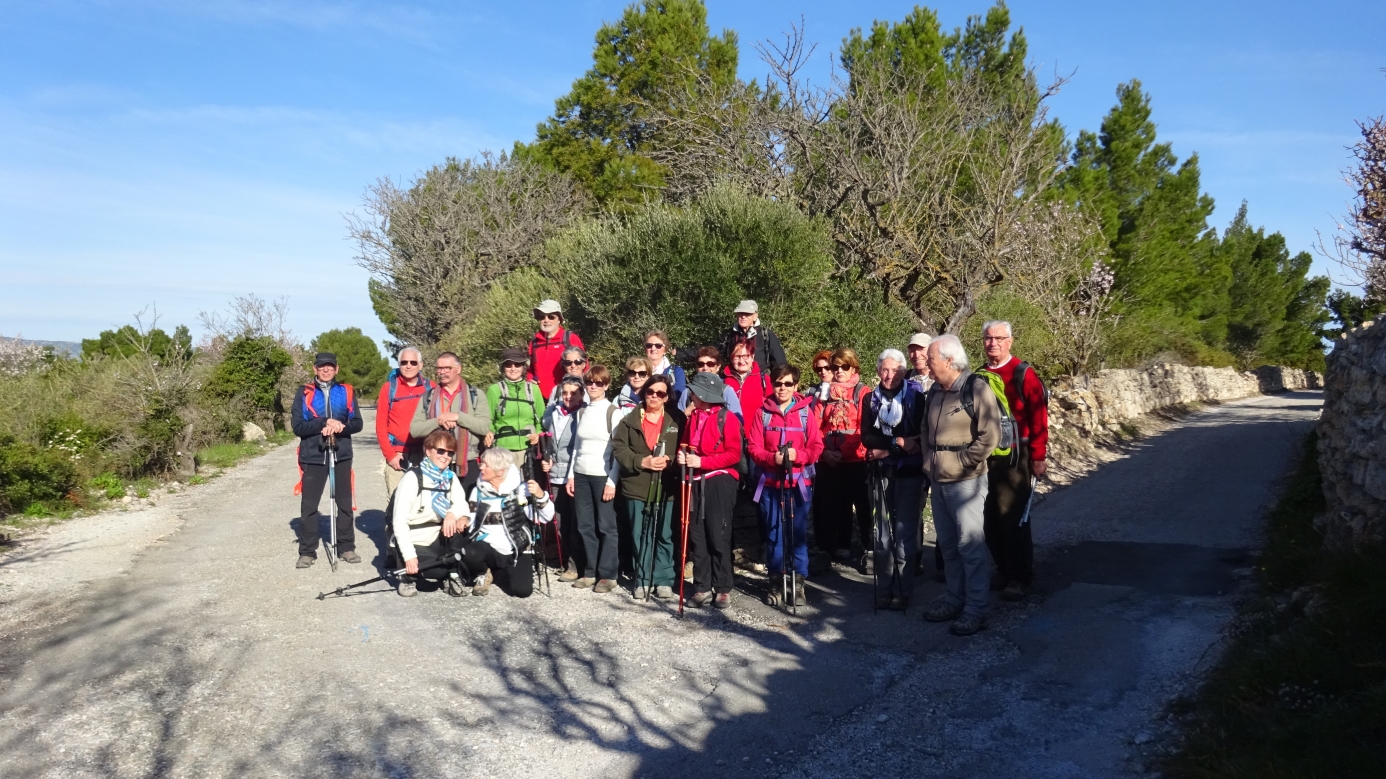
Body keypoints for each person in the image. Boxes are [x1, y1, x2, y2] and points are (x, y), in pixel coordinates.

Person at [920, 334, 1002, 636]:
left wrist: (964, 461)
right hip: (938, 479)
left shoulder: (975, 388)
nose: (927, 363)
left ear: (949, 360)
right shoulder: (935, 390)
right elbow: (925, 429)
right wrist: (928, 460)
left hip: (966, 482)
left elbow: (990, 435)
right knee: (948, 546)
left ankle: (976, 608)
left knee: (970, 546)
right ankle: (955, 599)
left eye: (931, 358)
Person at [978, 320, 1049, 602]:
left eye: (999, 338)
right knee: (989, 518)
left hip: (1016, 457)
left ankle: (1020, 576)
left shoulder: (1023, 374)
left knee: (1012, 517)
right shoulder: (980, 375)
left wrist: (1038, 457)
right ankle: (1004, 568)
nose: (993, 343)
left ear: (1010, 341)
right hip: (987, 457)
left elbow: (1039, 417)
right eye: (988, 338)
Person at [747, 364, 823, 607]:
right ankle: (776, 581)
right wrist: (773, 458)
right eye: (778, 383)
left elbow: (816, 446)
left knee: (797, 534)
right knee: (774, 534)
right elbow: (753, 447)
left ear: (796, 386)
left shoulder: (805, 413)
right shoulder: (762, 413)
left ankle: (798, 583)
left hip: (798, 484)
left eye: (788, 383)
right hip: (770, 484)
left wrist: (798, 456)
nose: (782, 388)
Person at [861, 349, 925, 611]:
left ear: (903, 371)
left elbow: (919, 439)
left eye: (895, 370)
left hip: (909, 473)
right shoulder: (870, 399)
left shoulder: (916, 397)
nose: (889, 375)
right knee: (882, 534)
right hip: (880, 474)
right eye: (885, 370)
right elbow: (867, 437)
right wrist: (897, 442)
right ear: (878, 371)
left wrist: (887, 450)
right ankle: (885, 587)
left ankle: (903, 590)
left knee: (904, 532)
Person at [611, 374, 685, 600]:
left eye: (660, 393)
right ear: (644, 393)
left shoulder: (677, 419)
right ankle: (643, 578)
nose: (654, 396)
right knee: (640, 534)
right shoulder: (629, 420)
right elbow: (619, 450)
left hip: (666, 488)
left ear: (666, 397)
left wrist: (672, 461)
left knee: (665, 534)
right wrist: (641, 462)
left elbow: (686, 447)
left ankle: (664, 579)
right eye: (650, 392)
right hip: (636, 487)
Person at [291, 352, 365, 568]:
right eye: (321, 366)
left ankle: (346, 547)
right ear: (315, 369)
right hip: (313, 455)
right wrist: (323, 423)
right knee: (309, 506)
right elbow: (298, 427)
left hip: (341, 454)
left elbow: (357, 423)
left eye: (330, 366)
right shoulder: (304, 392)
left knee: (344, 503)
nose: (326, 370)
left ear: (336, 369)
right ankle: (307, 551)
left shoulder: (346, 391)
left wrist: (341, 426)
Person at [678, 372, 744, 610]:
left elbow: (734, 454)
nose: (691, 395)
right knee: (697, 535)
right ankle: (702, 586)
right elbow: (686, 445)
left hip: (720, 481)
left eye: (694, 392)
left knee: (719, 534)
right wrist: (682, 455)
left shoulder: (728, 418)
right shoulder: (693, 416)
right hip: (695, 481)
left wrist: (702, 462)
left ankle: (723, 587)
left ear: (704, 395)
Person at [458, 447, 555, 597]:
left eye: (486, 465)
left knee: (522, 591)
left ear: (500, 471)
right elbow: (471, 517)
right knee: (470, 552)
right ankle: (483, 572)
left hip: (517, 547)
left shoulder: (521, 490)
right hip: (487, 545)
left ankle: (504, 570)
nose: (481, 467)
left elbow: (545, 517)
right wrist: (464, 519)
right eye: (481, 463)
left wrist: (541, 495)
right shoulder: (478, 490)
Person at [391, 429, 472, 597]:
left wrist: (452, 514)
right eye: (440, 451)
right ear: (428, 451)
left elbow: (462, 505)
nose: (445, 456)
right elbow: (399, 522)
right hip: (414, 537)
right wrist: (409, 556)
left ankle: (452, 574)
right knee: (437, 572)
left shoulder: (450, 477)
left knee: (466, 530)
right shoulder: (413, 478)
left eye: (450, 453)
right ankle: (407, 576)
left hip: (437, 535)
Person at [564, 364, 621, 593]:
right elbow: (576, 448)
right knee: (585, 525)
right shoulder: (581, 412)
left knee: (606, 526)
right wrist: (570, 476)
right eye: (589, 382)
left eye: (599, 382)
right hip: (581, 475)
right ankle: (590, 571)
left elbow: (618, 451)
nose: (593, 386)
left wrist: (612, 482)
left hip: (602, 476)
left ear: (606, 385)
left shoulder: (613, 412)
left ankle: (608, 574)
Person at [812, 347, 872, 566]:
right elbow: (814, 427)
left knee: (864, 508)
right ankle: (827, 552)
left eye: (844, 366)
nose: (839, 371)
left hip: (856, 460)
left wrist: (841, 451)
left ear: (853, 368)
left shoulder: (863, 392)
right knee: (829, 508)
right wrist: (825, 452)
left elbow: (863, 428)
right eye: (834, 367)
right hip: (828, 460)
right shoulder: (824, 393)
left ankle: (870, 550)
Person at [410, 351, 491, 495]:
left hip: (468, 464)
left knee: (467, 507)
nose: (442, 372)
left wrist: (458, 417)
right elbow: (415, 430)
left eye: (447, 368)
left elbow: (484, 427)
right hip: (435, 464)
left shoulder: (475, 395)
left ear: (458, 369)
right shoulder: (428, 397)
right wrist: (438, 421)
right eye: (439, 368)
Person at [542, 376, 585, 583]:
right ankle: (567, 561)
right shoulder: (553, 413)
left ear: (581, 394)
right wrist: (547, 459)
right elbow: (550, 442)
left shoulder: (584, 414)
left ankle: (578, 565)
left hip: (575, 475)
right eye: (565, 393)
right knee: (560, 523)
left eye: (573, 393)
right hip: (555, 475)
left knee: (577, 523)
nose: (568, 397)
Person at [377, 346, 433, 496]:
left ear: (420, 365)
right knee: (396, 501)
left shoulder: (431, 388)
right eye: (404, 362)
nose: (408, 366)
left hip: (425, 454)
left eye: (413, 362)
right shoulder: (389, 388)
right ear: (399, 364)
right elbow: (381, 426)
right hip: (398, 455)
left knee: (423, 500)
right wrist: (390, 455)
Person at [486, 346, 543, 466]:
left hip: (528, 448)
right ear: (503, 368)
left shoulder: (533, 390)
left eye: (517, 364)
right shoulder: (494, 390)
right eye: (508, 365)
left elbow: (542, 419)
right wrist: (488, 432)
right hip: (502, 450)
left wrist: (537, 434)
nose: (513, 368)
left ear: (523, 367)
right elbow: (487, 420)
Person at [528, 299, 584, 399]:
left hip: (567, 398)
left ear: (559, 320)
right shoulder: (535, 342)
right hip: (540, 399)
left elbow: (584, 365)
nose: (546, 320)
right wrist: (530, 379)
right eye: (542, 317)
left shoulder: (570, 338)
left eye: (551, 317)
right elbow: (530, 369)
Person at [718, 299, 787, 373]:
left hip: (760, 378)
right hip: (733, 378)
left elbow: (780, 364)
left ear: (755, 316)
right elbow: (714, 355)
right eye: (740, 313)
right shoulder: (728, 335)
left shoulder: (766, 335)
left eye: (747, 314)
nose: (743, 316)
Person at [678, 346, 742, 416]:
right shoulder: (688, 393)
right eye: (701, 364)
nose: (705, 368)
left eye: (710, 364)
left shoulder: (726, 391)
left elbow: (738, 420)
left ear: (718, 366)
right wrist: (686, 413)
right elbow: (676, 421)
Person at [722, 341, 769, 422]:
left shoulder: (764, 380)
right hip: (729, 429)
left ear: (752, 357)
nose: (741, 361)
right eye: (737, 356)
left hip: (756, 429)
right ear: (731, 358)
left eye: (745, 356)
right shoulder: (723, 380)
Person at [642, 330, 687, 397]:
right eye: (649, 345)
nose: (653, 348)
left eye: (658, 345)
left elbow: (679, 397)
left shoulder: (677, 372)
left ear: (665, 350)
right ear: (645, 349)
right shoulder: (638, 371)